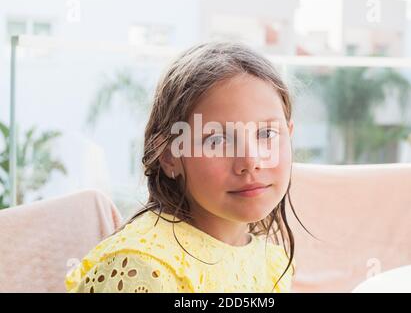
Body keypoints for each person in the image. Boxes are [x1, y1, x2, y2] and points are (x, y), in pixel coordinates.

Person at [65, 41, 302, 293]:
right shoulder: (141, 268)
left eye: (266, 133)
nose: (251, 161)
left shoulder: (271, 262)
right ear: (169, 156)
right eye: (217, 140)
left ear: (289, 134)